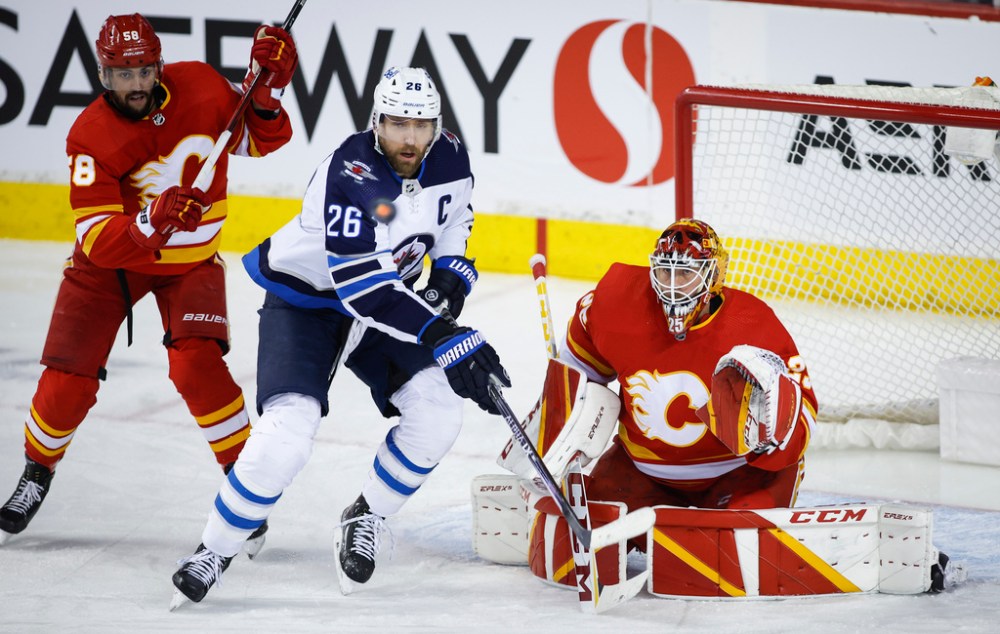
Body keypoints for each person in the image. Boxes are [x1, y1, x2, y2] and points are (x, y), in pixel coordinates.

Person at [170, 66, 510, 605]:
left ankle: (366, 515)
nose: (410, 139)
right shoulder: (352, 174)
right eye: (397, 124)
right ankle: (215, 548)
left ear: (436, 125)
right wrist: (444, 333)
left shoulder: (450, 155)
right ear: (376, 121)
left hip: (391, 302)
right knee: (286, 435)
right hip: (309, 304)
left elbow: (455, 219)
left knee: (439, 412)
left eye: (421, 126)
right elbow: (364, 290)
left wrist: (449, 274)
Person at [0, 14, 298, 546]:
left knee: (197, 366)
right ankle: (37, 470)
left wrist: (267, 91)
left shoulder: (203, 85)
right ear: (103, 75)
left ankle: (245, 485)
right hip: (108, 268)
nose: (136, 84)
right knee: (68, 379)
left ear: (159, 66)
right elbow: (97, 239)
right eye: (123, 74)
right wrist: (150, 218)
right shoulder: (90, 135)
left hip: (189, 262)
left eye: (143, 71)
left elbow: (260, 141)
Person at [521, 218, 819, 586]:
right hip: (643, 472)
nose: (673, 286)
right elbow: (579, 372)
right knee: (572, 541)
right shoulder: (618, 303)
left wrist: (772, 437)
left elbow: (802, 413)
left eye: (686, 275)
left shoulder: (753, 323)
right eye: (665, 272)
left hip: (737, 475)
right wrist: (561, 428)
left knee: (736, 553)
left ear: (713, 277)